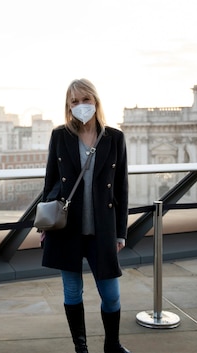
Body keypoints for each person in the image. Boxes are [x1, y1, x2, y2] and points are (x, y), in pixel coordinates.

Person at [41, 79, 131, 353]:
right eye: (74, 101)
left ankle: (112, 345)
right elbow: (51, 182)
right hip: (67, 228)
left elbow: (121, 187)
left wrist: (120, 232)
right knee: (71, 292)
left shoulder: (114, 138)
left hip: (102, 229)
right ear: (68, 106)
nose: (81, 105)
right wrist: (45, 224)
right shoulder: (60, 136)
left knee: (112, 295)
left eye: (85, 99)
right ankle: (81, 347)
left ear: (96, 101)